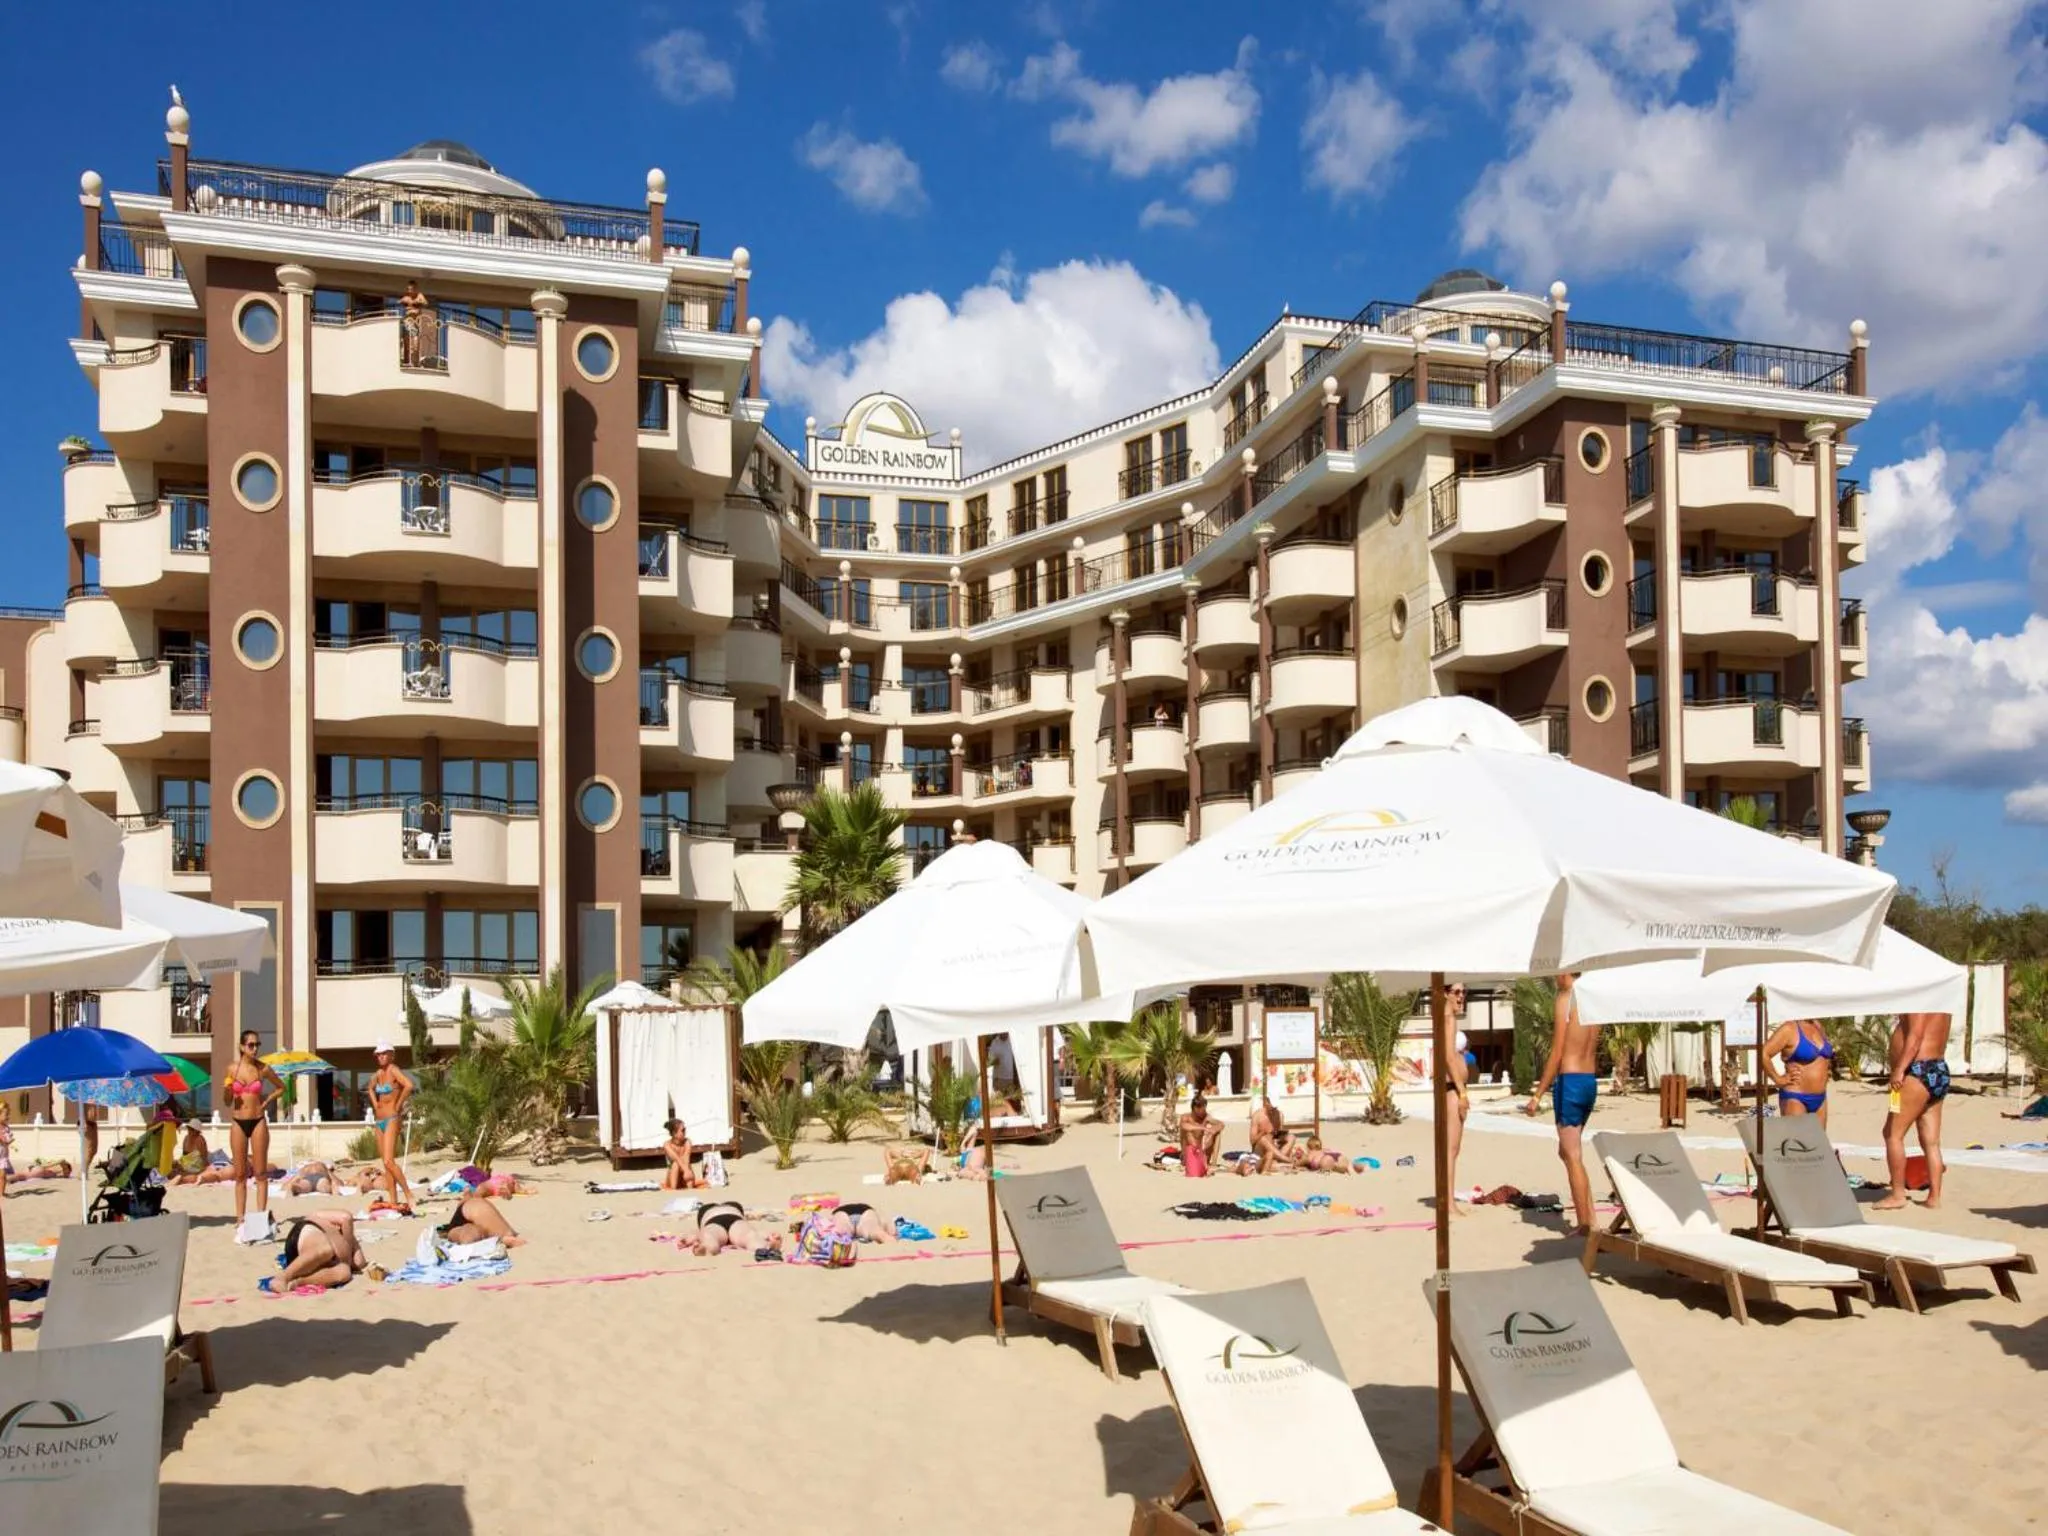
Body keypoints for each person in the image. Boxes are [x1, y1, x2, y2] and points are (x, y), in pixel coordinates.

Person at [1526, 972, 1599, 1235]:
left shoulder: (1566, 998)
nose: (1555, 977)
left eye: (1558, 971)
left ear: (1568, 972)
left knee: (1572, 1156)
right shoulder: (1592, 999)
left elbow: (1557, 1051)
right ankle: (1590, 1218)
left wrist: (1537, 1094)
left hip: (1569, 1081)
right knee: (1568, 1152)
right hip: (1589, 1081)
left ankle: (1585, 1226)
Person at [1878, 1011, 1952, 1210]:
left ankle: (1897, 1194)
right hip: (1938, 1067)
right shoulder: (1942, 1007)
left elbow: (1916, 1036)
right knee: (1931, 1141)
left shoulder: (1919, 1002)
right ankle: (1934, 1197)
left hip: (1917, 1070)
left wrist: (1899, 1069)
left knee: (1892, 1134)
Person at [222, 1032, 285, 1228]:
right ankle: (240, 1217)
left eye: (257, 1044)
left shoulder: (263, 1069)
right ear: (241, 1047)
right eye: (250, 1045)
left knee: (260, 1173)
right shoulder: (232, 1069)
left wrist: (267, 1101)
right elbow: (226, 1102)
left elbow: (281, 1087)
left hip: (258, 1120)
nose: (255, 1048)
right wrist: (227, 1089)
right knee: (240, 1174)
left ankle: (260, 1216)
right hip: (238, 1121)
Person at [366, 1042, 415, 1212]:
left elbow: (409, 1085)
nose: (381, 1057)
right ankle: (393, 1200)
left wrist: (399, 1104)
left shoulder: (394, 1069)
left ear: (392, 1055)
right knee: (385, 1164)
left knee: (389, 1161)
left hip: (392, 1118)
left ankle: (408, 1194)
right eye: (378, 1055)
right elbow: (370, 1089)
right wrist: (375, 1104)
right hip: (379, 1120)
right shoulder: (378, 1074)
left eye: (384, 1054)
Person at [270, 1210, 370, 1293]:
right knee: (326, 1250)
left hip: (317, 1258)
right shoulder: (320, 1217)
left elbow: (359, 1263)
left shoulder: (347, 1236)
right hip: (310, 1231)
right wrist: (346, 1252)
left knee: (345, 1272)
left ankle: (299, 1282)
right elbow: (346, 1217)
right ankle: (283, 1277)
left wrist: (349, 1245)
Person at [1763, 1017, 1836, 1125]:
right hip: (1796, 1097)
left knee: (1817, 1141)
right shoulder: (1789, 1028)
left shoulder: (1817, 1025)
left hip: (1820, 1098)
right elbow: (1763, 1053)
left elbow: (1824, 1057)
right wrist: (1777, 1079)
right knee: (1797, 1141)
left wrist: (1827, 1069)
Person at [1445, 986, 1474, 1218]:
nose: (1460, 996)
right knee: (1450, 1149)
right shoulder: (1447, 1017)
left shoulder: (1449, 1017)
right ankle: (1448, 1202)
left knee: (1454, 1149)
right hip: (1452, 1090)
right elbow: (1447, 1056)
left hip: (1454, 1088)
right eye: (1455, 991)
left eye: (1463, 992)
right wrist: (1462, 1092)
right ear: (1444, 993)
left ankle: (1448, 1198)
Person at [693, 1199, 779, 1258]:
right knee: (749, 1235)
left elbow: (697, 1233)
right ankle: (763, 1247)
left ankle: (708, 1247)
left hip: (712, 1221)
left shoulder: (704, 1211)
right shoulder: (735, 1206)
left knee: (710, 1235)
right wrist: (767, 1235)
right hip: (735, 1218)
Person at [438, 1194, 526, 1248]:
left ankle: (502, 1238)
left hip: (470, 1210)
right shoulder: (457, 1224)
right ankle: (504, 1237)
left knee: (467, 1235)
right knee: (506, 1233)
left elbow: (466, 1241)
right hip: (474, 1204)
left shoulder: (452, 1232)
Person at [1178, 1092, 1223, 1176]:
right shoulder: (1186, 1117)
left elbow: (1221, 1124)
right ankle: (1186, 1159)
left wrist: (1214, 1129)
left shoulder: (1206, 1117)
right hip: (1190, 1153)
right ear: (1195, 1108)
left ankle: (1213, 1163)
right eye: (1202, 1109)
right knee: (1188, 1133)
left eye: (1205, 1108)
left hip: (1202, 1152)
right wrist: (1202, 1128)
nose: (1204, 1111)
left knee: (1218, 1133)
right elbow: (1184, 1126)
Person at [1246, 1097, 1291, 1173]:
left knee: (1291, 1137)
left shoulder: (1279, 1115)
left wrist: (1281, 1138)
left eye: (1275, 1108)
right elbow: (1252, 1141)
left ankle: (1278, 1159)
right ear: (1266, 1103)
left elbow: (1279, 1136)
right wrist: (1262, 1133)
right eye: (1272, 1108)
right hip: (1260, 1149)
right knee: (1263, 1139)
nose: (1274, 1110)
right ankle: (1285, 1159)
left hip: (1275, 1146)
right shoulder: (1257, 1116)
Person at [660, 1119, 703, 1190]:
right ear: (674, 1133)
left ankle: (690, 1189)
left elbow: (686, 1157)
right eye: (683, 1130)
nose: (685, 1132)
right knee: (675, 1164)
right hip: (673, 1175)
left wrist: (686, 1171)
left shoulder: (687, 1142)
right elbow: (676, 1158)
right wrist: (686, 1171)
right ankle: (673, 1190)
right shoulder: (667, 1144)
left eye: (685, 1129)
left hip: (685, 1174)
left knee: (687, 1164)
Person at [399, 279, 433, 367]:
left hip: (415, 322)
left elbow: (426, 303)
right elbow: (400, 301)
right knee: (407, 340)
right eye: (408, 289)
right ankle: (407, 360)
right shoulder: (407, 296)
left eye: (411, 289)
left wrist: (417, 302)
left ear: (415, 289)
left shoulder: (419, 295)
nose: (409, 291)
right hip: (408, 321)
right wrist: (406, 302)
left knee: (415, 342)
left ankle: (413, 361)